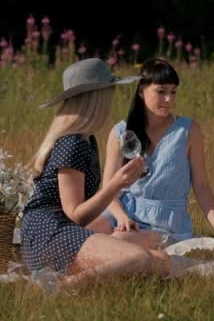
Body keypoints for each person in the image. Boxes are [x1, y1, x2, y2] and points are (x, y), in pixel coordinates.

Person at [21, 58, 170, 288]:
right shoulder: (73, 143)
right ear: (95, 99)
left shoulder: (85, 138)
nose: (111, 100)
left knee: (161, 261)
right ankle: (59, 288)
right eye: (109, 93)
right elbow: (74, 215)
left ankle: (62, 280)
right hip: (49, 235)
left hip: (54, 232)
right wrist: (117, 184)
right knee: (141, 259)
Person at [87, 58, 214, 245]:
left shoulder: (188, 131)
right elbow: (108, 189)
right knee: (81, 234)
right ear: (141, 91)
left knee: (119, 240)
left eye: (173, 92)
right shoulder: (120, 132)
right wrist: (122, 217)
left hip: (165, 222)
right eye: (161, 91)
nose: (169, 99)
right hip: (123, 212)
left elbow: (201, 186)